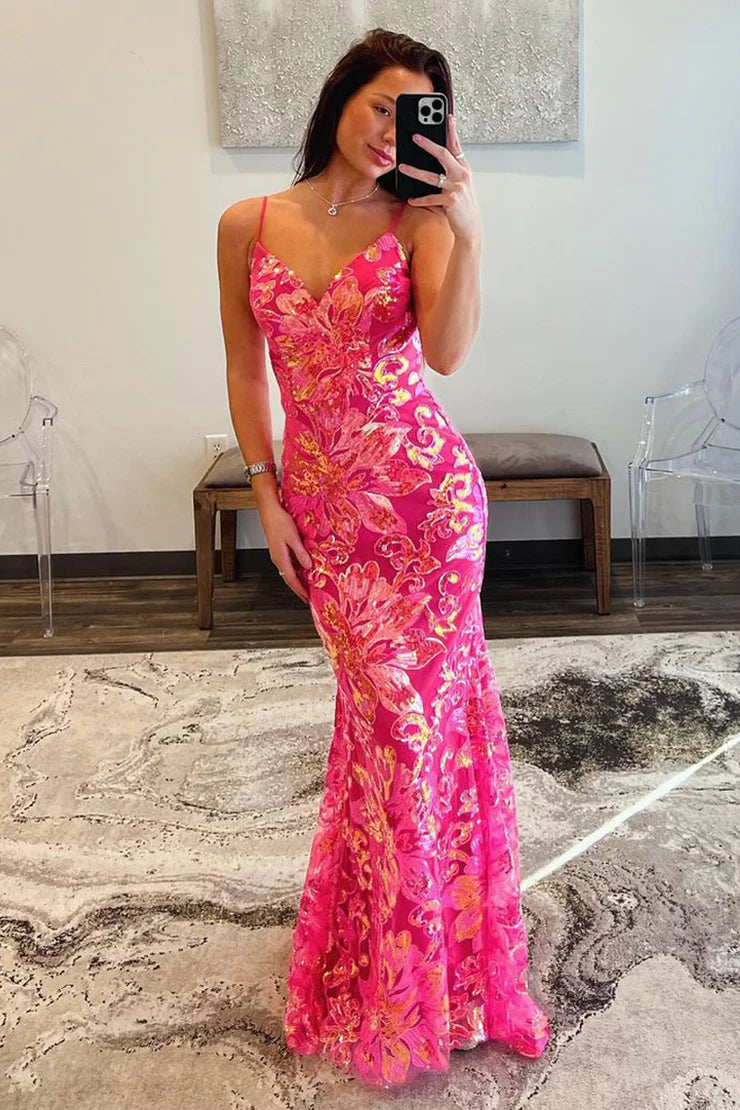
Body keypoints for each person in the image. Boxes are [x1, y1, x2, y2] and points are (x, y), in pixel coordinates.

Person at [217, 26, 551, 1090]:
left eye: (414, 117)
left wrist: (469, 230)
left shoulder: (422, 220)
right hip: (328, 520)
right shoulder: (245, 224)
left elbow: (445, 354)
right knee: (382, 730)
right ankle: (387, 951)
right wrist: (264, 494)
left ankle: (422, 975)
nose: (389, 132)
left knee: (420, 731)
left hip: (427, 510)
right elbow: (245, 369)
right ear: (340, 100)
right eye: (380, 107)